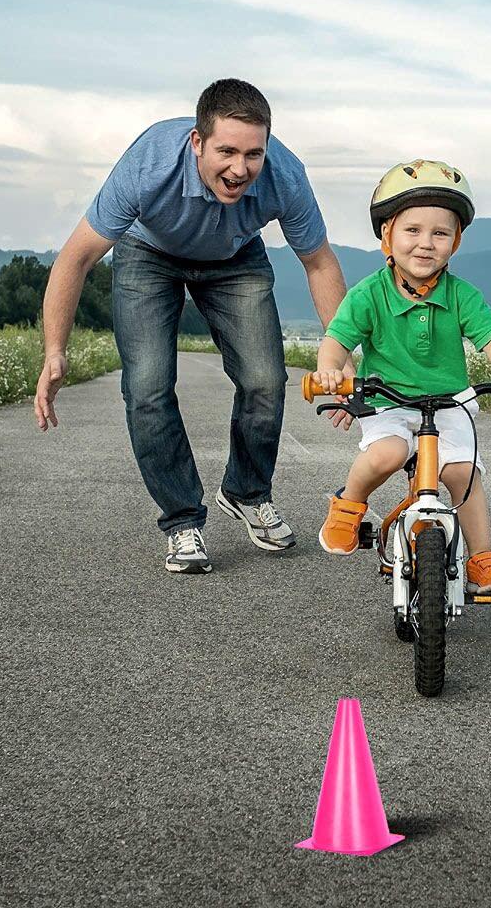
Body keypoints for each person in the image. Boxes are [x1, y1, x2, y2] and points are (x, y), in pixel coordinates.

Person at [34, 79, 352, 574]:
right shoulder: (149, 166)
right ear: (197, 142)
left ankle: (246, 492)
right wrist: (55, 350)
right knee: (148, 386)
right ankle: (182, 520)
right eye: (226, 151)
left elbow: (319, 263)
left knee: (266, 379)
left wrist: (342, 348)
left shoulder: (285, 175)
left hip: (235, 255)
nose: (240, 169)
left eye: (253, 154)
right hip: (149, 253)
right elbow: (75, 260)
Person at [312, 159, 491, 594]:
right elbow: (337, 339)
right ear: (386, 236)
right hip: (387, 399)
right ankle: (348, 505)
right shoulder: (369, 294)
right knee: (387, 454)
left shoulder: (461, 295)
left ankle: (483, 559)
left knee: (461, 474)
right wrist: (329, 370)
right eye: (412, 231)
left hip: (451, 402)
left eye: (440, 233)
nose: (426, 243)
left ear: (456, 241)